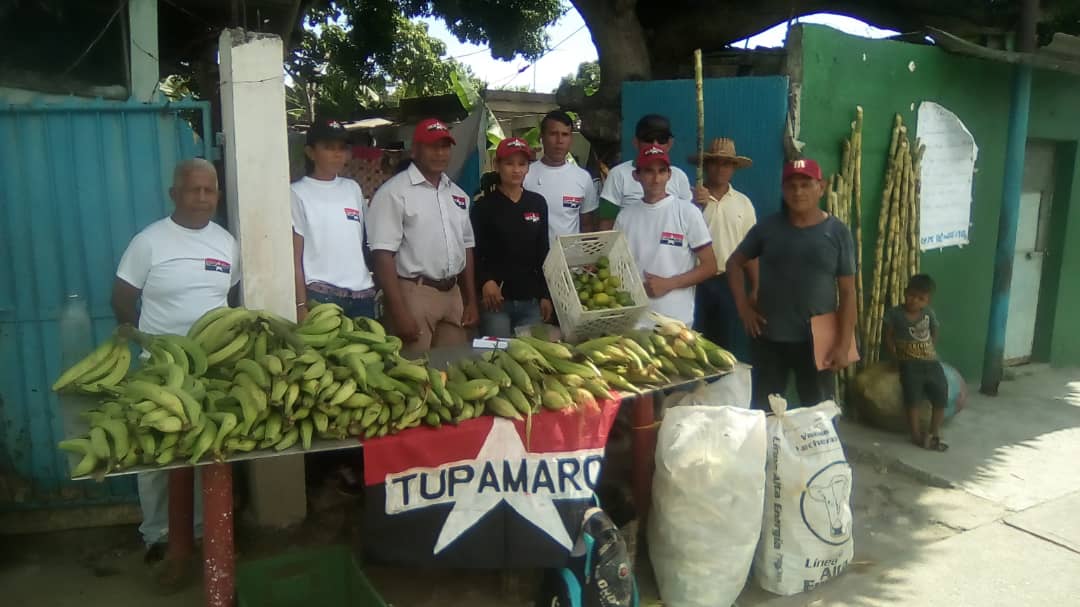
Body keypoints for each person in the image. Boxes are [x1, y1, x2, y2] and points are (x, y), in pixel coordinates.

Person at [111, 158, 240, 572]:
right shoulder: (149, 241)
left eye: (209, 190)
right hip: (161, 367)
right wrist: (144, 340)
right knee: (157, 457)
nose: (202, 198)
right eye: (192, 189)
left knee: (208, 449)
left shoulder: (226, 243)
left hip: (213, 367)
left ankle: (203, 532)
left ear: (218, 195)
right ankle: (157, 535)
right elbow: (121, 299)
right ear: (174, 194)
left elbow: (230, 298)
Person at [726, 158, 856, 409]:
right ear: (783, 190)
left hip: (819, 341)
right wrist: (744, 309)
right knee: (765, 412)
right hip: (770, 338)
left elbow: (848, 292)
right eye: (791, 186)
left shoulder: (838, 232)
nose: (798, 192)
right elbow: (734, 263)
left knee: (820, 414)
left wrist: (843, 343)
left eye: (806, 185)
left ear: (822, 186)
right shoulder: (767, 228)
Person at [366, 118, 479, 354]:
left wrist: (470, 300)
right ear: (415, 150)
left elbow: (466, 246)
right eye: (432, 146)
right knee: (414, 373)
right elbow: (382, 255)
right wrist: (399, 311)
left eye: (445, 146)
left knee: (453, 368)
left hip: (452, 293)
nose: (440, 153)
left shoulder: (457, 195)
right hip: (414, 293)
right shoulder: (394, 193)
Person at [614, 145, 716, 324]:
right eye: (648, 171)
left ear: (669, 175)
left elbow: (710, 266)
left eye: (662, 171)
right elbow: (617, 265)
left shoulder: (687, 212)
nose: (656, 179)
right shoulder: (625, 216)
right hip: (634, 323)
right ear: (636, 176)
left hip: (675, 324)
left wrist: (669, 284)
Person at [291, 119, 376, 321]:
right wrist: (300, 304)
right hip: (322, 295)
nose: (337, 154)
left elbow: (364, 242)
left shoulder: (353, 188)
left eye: (341, 148)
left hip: (362, 294)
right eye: (328, 148)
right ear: (311, 153)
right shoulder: (296, 192)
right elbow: (295, 257)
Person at [471, 137, 554, 336]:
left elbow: (543, 251)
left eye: (522, 164)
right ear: (497, 165)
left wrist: (545, 294)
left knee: (531, 359)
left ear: (528, 168)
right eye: (509, 163)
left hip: (530, 302)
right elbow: (474, 251)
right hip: (496, 303)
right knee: (496, 358)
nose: (516, 170)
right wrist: (485, 281)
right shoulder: (484, 206)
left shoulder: (537, 203)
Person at [689, 138, 758, 355]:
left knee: (726, 347)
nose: (720, 168)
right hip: (694, 282)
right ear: (706, 165)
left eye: (726, 163)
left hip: (730, 283)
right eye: (715, 162)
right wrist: (694, 206)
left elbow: (751, 250)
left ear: (734, 168)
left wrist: (755, 287)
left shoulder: (743, 203)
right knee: (693, 344)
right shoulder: (689, 200)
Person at [885, 274, 949, 451]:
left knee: (941, 392)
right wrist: (894, 356)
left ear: (927, 301)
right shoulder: (895, 314)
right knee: (912, 398)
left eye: (921, 299)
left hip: (931, 362)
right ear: (905, 293)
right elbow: (889, 336)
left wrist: (931, 349)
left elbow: (935, 330)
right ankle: (915, 435)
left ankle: (934, 432)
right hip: (909, 363)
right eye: (912, 295)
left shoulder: (928, 313)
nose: (915, 301)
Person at [597, 114, 693, 230]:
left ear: (670, 143)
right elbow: (607, 223)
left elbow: (688, 220)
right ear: (636, 142)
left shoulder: (679, 176)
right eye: (648, 139)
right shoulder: (618, 174)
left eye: (661, 139)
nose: (655, 145)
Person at [523, 110, 599, 242]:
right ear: (542, 137)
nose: (559, 141)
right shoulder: (525, 174)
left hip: (569, 259)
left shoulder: (583, 178)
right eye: (553, 134)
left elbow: (587, 224)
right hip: (533, 259)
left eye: (565, 134)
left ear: (571, 139)